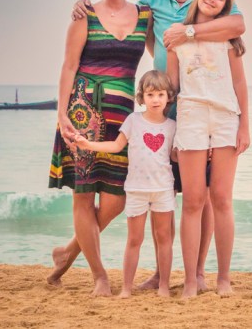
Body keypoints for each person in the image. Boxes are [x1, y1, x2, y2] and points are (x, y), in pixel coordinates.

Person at [71, 0, 244, 291]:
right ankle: (162, 273)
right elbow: (120, 11)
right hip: (163, 109)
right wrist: (85, 5)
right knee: (165, 191)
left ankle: (196, 272)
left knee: (205, 195)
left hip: (203, 110)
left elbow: (237, 26)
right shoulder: (152, 1)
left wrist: (188, 31)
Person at [47, 0, 152, 296]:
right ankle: (99, 277)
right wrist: (62, 114)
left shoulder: (145, 16)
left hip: (123, 118)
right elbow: (68, 65)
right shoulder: (84, 15)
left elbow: (163, 54)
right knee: (84, 194)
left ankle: (68, 251)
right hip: (82, 113)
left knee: (116, 199)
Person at [169, 0, 250, 297]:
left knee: (221, 199)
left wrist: (245, 126)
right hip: (190, 119)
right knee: (192, 201)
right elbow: (173, 89)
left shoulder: (230, 41)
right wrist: (167, 131)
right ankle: (191, 280)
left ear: (225, 6)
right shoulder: (177, 42)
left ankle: (224, 279)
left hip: (225, 118)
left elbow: (240, 85)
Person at [75, 70, 176, 298]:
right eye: (150, 95)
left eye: (160, 94)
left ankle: (164, 286)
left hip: (163, 190)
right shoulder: (133, 120)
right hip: (136, 190)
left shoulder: (172, 126)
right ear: (142, 97)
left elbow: (177, 156)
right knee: (134, 240)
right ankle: (126, 288)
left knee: (164, 239)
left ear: (168, 97)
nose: (156, 100)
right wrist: (87, 144)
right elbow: (115, 145)